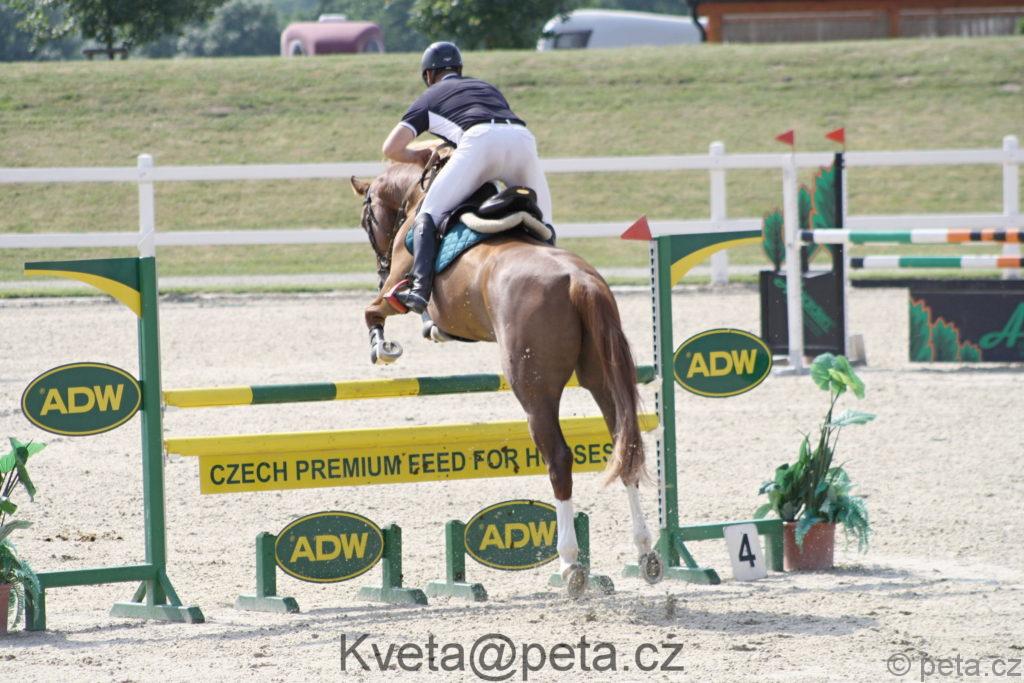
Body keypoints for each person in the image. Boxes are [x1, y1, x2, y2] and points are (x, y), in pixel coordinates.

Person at [381, 41, 553, 314]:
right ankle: (552, 283)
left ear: (429, 75)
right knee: (544, 221)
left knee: (428, 213)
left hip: (480, 142)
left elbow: (390, 148)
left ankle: (420, 290)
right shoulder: (486, 87)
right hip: (522, 140)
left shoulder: (430, 96)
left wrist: (418, 154)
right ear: (459, 69)